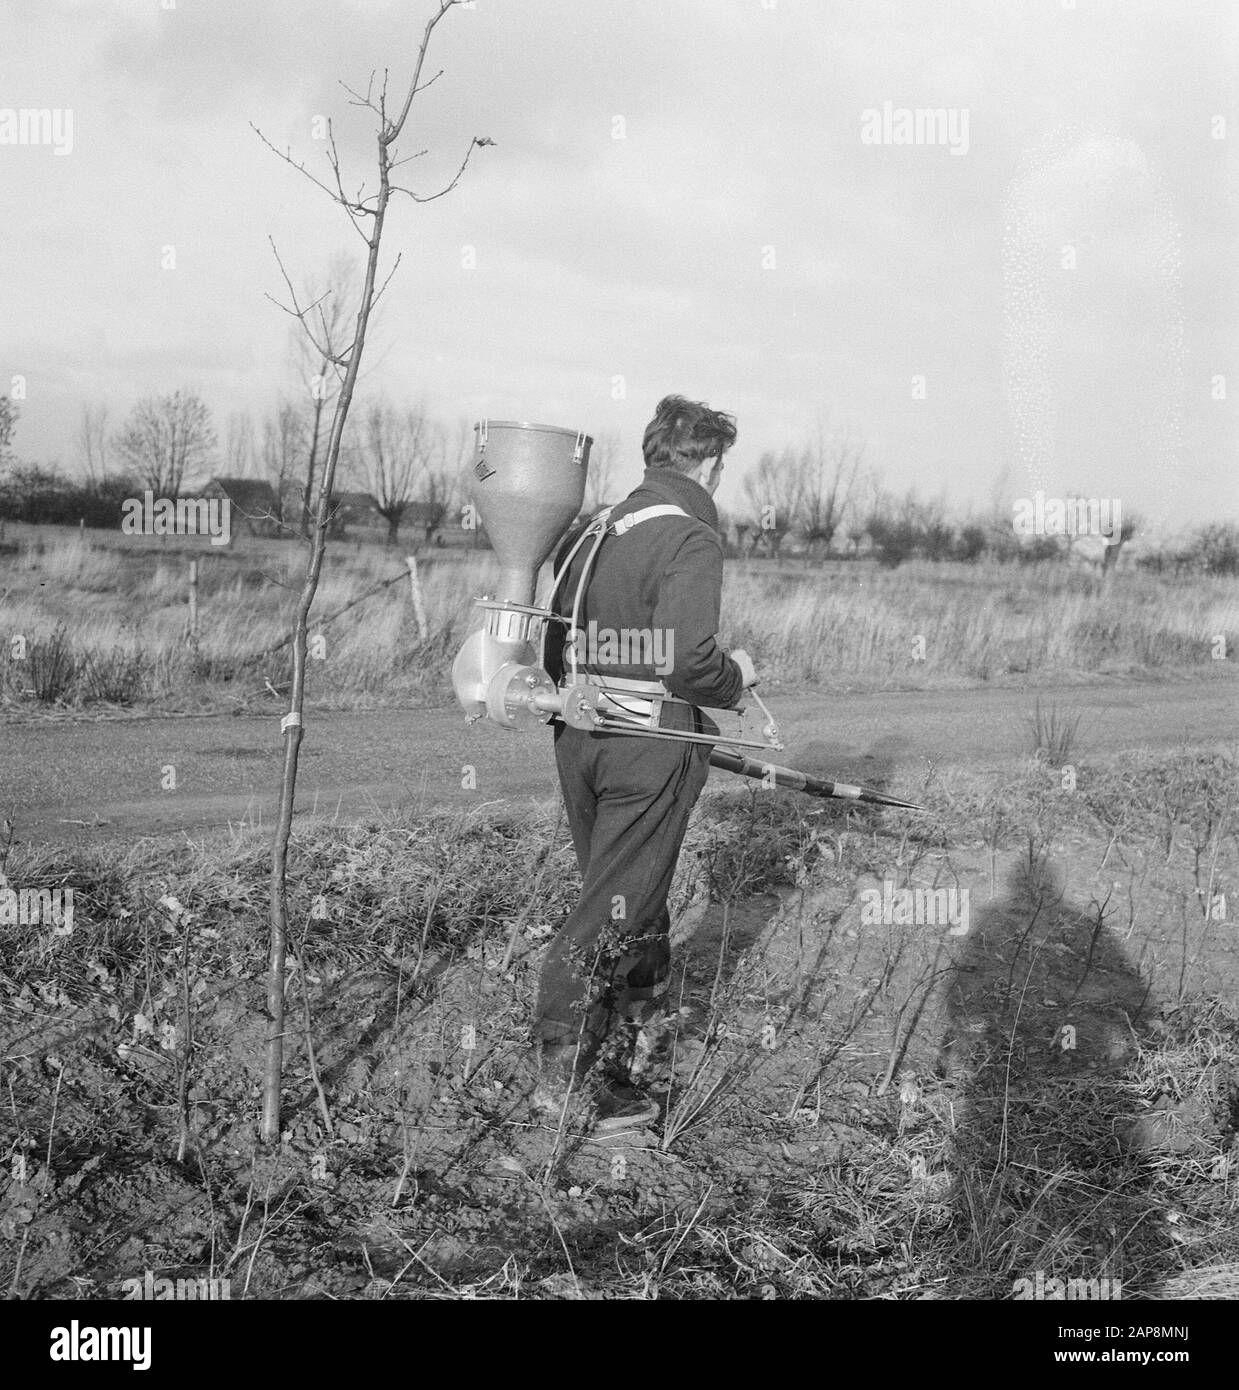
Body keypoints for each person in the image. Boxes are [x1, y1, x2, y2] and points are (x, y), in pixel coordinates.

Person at [533, 394, 757, 1128]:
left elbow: (551, 641)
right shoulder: (688, 537)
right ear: (712, 463)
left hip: (578, 736)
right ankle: (562, 1079)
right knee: (609, 909)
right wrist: (737, 679)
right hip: (649, 745)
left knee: (635, 895)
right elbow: (689, 662)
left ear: (653, 452)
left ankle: (634, 1051)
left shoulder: (591, 526)